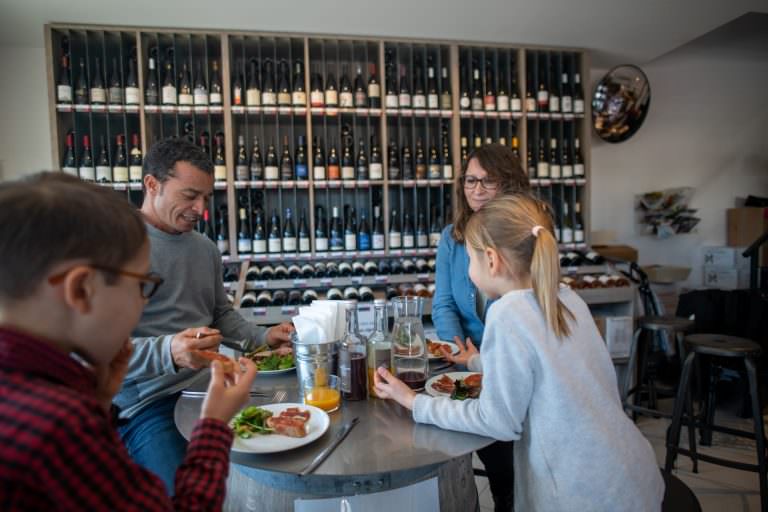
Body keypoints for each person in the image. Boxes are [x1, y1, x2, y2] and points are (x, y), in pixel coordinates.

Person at [374, 194, 665, 511]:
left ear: (491, 260)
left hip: (581, 496)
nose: (469, 270)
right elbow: (549, 368)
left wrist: (414, 402)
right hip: (629, 477)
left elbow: (497, 421)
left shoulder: (507, 313)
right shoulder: (564, 296)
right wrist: (474, 360)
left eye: (470, 259)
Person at [0, 173, 258, 510]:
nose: (143, 302)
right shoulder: (62, 427)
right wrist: (213, 426)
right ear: (81, 290)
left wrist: (100, 398)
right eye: (141, 287)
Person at [114, 138, 294, 492]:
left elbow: (220, 314)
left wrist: (263, 336)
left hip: (209, 388)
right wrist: (170, 352)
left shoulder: (204, 248)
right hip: (148, 404)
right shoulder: (114, 247)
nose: (200, 208)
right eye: (189, 195)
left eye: (206, 198)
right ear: (152, 185)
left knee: (275, 465)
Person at [431, 143, 530, 511]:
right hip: (468, 361)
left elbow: (526, 315)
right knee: (481, 443)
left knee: (508, 455)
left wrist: (485, 358)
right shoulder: (451, 237)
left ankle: (510, 498)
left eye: (488, 182)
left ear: (510, 184)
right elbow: (443, 302)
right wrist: (460, 350)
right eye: (471, 180)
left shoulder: (525, 237)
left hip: (512, 362)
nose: (476, 189)